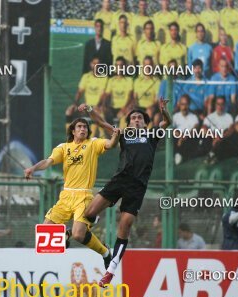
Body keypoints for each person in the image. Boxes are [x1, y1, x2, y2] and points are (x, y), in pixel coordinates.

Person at [83, 97, 172, 286]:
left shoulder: (152, 135)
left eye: (140, 117)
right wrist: (90, 108)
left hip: (137, 186)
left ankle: (110, 271)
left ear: (145, 122)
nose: (136, 119)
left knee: (124, 227)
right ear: (129, 122)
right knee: (89, 213)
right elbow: (100, 121)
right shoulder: (123, 134)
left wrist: (163, 110)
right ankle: (94, 224)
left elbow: (167, 122)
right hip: (119, 180)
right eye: (133, 118)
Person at [24, 117, 120, 269]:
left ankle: (105, 252)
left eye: (85, 127)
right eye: (80, 127)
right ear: (73, 131)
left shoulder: (93, 143)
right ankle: (75, 229)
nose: (83, 129)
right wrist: (33, 169)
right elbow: (48, 162)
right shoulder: (63, 147)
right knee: (46, 233)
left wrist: (115, 136)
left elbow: (110, 144)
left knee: (78, 235)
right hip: (66, 196)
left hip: (84, 196)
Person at [202, 96, 235, 165]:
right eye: (218, 104)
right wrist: (214, 136)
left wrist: (220, 137)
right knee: (205, 138)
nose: (220, 106)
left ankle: (212, 155)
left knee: (226, 142)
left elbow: (231, 130)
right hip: (212, 137)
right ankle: (212, 155)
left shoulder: (228, 117)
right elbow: (203, 128)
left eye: (222, 104)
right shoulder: (210, 116)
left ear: (224, 105)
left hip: (223, 138)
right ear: (215, 105)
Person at [103, 57, 133, 129]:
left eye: (121, 65)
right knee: (100, 113)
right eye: (117, 65)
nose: (119, 68)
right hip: (112, 108)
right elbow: (107, 95)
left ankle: (120, 135)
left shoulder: (129, 80)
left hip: (123, 108)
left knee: (126, 115)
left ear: (124, 67)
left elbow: (130, 96)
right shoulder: (111, 80)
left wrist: (124, 108)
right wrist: (104, 105)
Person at [172, 95, 200, 165]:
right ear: (179, 104)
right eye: (182, 104)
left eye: (186, 104)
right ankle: (178, 154)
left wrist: (184, 137)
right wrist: (180, 136)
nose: (184, 107)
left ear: (189, 104)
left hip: (188, 139)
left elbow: (195, 129)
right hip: (178, 138)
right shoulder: (175, 116)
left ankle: (179, 154)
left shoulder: (194, 117)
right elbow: (171, 129)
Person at [133, 56, 160, 124]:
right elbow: (135, 97)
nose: (147, 67)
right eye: (145, 65)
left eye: (149, 65)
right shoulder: (137, 81)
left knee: (149, 112)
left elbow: (156, 101)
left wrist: (151, 107)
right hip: (139, 107)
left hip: (151, 108)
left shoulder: (157, 82)